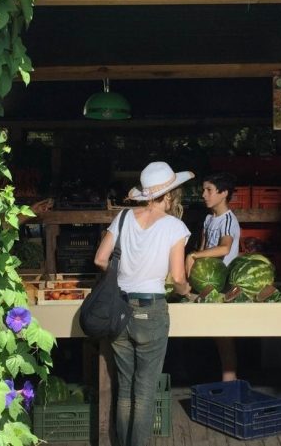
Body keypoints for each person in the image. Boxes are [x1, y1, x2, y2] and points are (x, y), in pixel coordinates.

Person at [94, 161, 193, 446]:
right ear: (170, 195)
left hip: (118, 309)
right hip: (150, 310)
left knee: (124, 389)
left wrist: (125, 273)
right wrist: (186, 290)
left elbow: (101, 259)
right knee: (145, 391)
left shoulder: (123, 217)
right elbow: (177, 277)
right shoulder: (175, 227)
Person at [185, 172, 241, 382]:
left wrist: (194, 255)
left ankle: (230, 380)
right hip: (205, 284)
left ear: (223, 193)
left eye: (209, 190)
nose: (204, 195)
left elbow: (224, 248)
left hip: (223, 285)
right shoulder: (209, 219)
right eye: (203, 190)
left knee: (223, 336)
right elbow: (203, 248)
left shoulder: (228, 220)